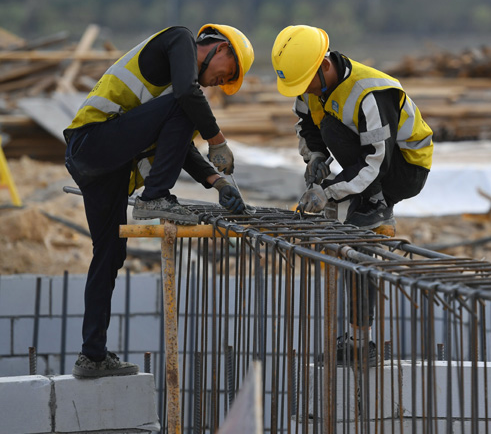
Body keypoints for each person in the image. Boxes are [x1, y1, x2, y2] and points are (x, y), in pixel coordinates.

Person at [63, 24, 254, 378]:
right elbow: (186, 96)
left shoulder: (180, 91)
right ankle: (155, 197)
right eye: (224, 74)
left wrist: (217, 181)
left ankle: (92, 355)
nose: (217, 83)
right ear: (221, 49)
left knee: (109, 255)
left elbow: (178, 140)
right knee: (189, 102)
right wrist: (217, 139)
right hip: (91, 142)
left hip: (106, 168)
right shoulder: (178, 39)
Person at [270, 24, 434, 364]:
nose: (305, 92)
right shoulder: (311, 86)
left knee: (332, 128)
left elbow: (377, 160)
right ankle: (360, 338)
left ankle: (375, 204)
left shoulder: (369, 92)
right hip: (370, 166)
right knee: (353, 249)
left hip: (402, 169)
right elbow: (306, 126)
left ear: (324, 66)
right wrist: (315, 159)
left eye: (307, 84)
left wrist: (328, 192)